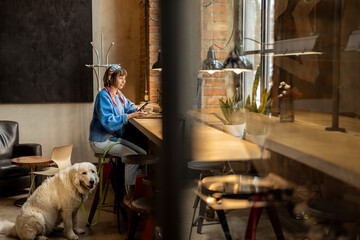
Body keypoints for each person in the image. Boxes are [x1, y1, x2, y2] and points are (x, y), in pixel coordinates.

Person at [89, 64, 147, 201]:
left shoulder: (118, 94)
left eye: (124, 78)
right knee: (133, 157)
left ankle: (142, 191)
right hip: (100, 141)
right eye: (120, 78)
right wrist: (130, 116)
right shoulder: (103, 96)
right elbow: (108, 122)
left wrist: (141, 109)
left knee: (143, 154)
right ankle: (129, 196)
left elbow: (129, 106)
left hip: (113, 139)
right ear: (110, 78)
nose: (123, 81)